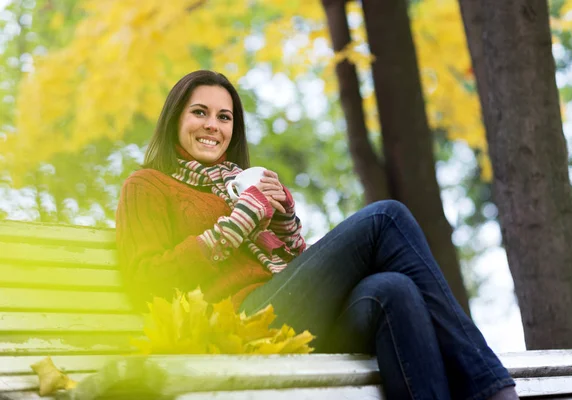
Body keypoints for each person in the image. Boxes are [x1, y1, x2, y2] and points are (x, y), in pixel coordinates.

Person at [116, 70, 518, 399]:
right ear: (175, 120)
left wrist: (283, 221)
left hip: (287, 315)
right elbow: (147, 282)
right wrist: (235, 227)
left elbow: (288, 269)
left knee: (393, 289)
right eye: (199, 112)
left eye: (224, 117)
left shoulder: (238, 185)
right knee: (386, 218)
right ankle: (490, 387)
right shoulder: (147, 185)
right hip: (233, 326)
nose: (213, 126)